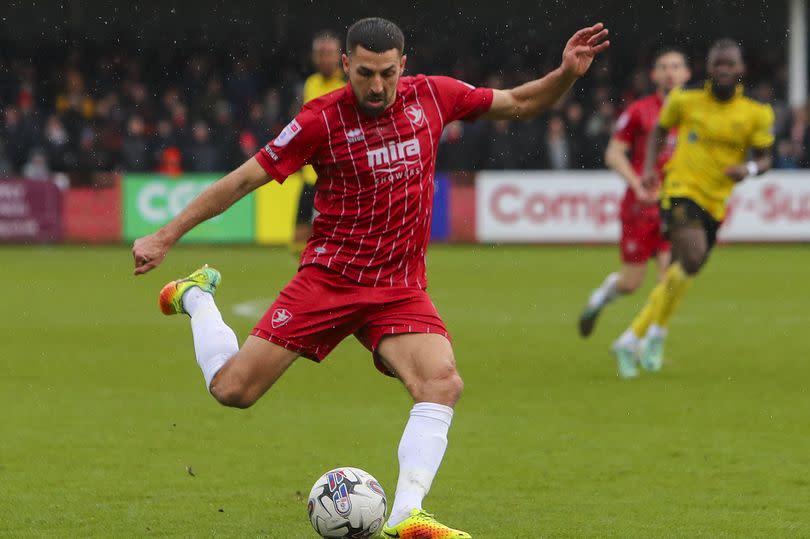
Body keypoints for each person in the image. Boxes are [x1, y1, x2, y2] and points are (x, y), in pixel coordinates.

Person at [132, 17, 609, 538]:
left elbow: (519, 102)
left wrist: (565, 74)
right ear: (345, 67)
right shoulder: (320, 120)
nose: (376, 86)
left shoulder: (434, 96)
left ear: (403, 66)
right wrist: (166, 234)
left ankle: (407, 515)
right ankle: (197, 296)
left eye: (386, 73)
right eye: (364, 73)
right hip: (329, 280)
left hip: (399, 288)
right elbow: (244, 179)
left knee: (441, 382)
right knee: (233, 391)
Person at [610, 39, 774, 378]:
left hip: (717, 201)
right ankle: (651, 335)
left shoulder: (756, 112)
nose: (724, 70)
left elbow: (764, 158)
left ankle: (638, 336)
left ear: (741, 69)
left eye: (731, 64)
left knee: (686, 269)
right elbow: (659, 131)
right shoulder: (687, 100)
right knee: (692, 256)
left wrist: (750, 170)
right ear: (709, 68)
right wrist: (651, 168)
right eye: (718, 64)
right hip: (681, 191)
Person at [577, 49, 691, 346]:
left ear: (686, 74)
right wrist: (637, 184)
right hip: (640, 207)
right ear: (654, 75)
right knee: (631, 283)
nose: (670, 72)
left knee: (669, 279)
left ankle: (648, 341)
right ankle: (601, 298)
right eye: (664, 66)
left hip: (675, 205)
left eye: (676, 66)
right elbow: (613, 153)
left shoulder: (695, 114)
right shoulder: (639, 111)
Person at [291, 31, 346, 255]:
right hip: (309, 174)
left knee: (334, 237)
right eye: (320, 53)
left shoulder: (348, 84)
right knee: (297, 239)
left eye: (329, 53)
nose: (324, 58)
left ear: (340, 57)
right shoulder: (310, 84)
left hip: (337, 174)